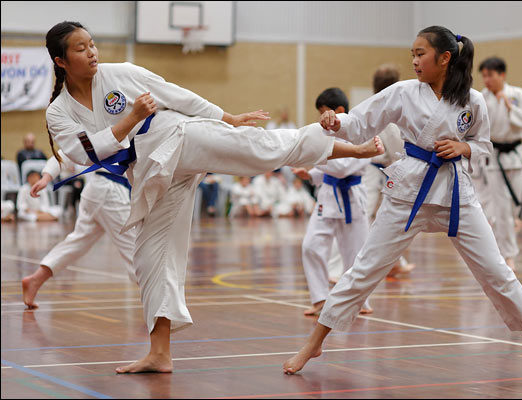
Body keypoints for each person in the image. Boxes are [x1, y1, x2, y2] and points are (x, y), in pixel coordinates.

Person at [44, 21, 383, 374]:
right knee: (149, 258)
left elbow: (175, 95)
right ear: (61, 61)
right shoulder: (59, 112)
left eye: (93, 44)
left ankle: (352, 149)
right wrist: (130, 119)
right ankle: (160, 353)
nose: (92, 52)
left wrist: (227, 118)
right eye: (81, 48)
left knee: (258, 149)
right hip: (150, 169)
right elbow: (86, 153)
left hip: (179, 135)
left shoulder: (121, 74)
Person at [283, 26, 522, 379]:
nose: (415, 61)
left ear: (445, 58)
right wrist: (334, 120)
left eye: (421, 54)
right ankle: (315, 342)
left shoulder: (473, 100)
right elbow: (359, 121)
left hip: (455, 193)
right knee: (364, 268)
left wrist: (463, 147)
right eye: (412, 55)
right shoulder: (404, 92)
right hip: (408, 191)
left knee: (498, 273)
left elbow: (482, 145)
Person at [21, 149, 136, 309]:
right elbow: (68, 150)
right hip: (110, 190)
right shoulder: (116, 125)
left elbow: (68, 150)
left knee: (77, 242)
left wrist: (47, 176)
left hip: (98, 189)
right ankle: (158, 307)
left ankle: (36, 279)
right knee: (136, 248)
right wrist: (47, 176)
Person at [293, 87, 373, 316]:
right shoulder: (324, 137)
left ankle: (359, 302)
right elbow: (330, 171)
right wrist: (310, 175)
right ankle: (319, 299)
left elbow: (345, 168)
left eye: (324, 112)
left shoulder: (362, 135)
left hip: (352, 199)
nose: (321, 118)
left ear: (338, 111)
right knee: (311, 246)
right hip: (327, 198)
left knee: (355, 254)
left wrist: (315, 159)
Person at [473, 57, 522, 271]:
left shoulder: (518, 95)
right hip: (494, 158)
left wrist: (509, 107)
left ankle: (505, 250)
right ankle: (507, 256)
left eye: (490, 75)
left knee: (513, 209)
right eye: (484, 76)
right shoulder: (481, 98)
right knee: (502, 211)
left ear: (502, 75)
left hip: (516, 156)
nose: (487, 80)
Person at [365, 63, 416, 277]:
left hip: (377, 169)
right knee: (368, 216)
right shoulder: (392, 112)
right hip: (378, 170)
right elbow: (397, 149)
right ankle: (354, 263)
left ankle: (393, 262)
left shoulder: (372, 106)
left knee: (385, 218)